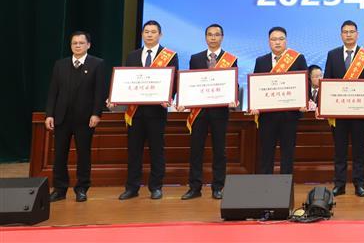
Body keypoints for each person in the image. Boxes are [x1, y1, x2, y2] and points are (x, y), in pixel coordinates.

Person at [118, 20, 178, 200]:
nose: (149, 35)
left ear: (160, 35)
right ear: (142, 34)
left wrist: (168, 97)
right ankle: (132, 187)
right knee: (133, 151)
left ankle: (156, 187)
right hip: (135, 113)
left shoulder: (170, 56)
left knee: (157, 151)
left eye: (153, 32)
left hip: (157, 112)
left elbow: (174, 81)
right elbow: (126, 81)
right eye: (146, 31)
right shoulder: (132, 56)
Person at [45, 31, 106, 202]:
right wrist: (49, 114)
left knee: (84, 155)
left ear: (88, 45)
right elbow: (53, 91)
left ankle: (82, 189)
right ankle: (59, 189)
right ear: (71, 45)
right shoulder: (60, 65)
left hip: (85, 119)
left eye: (81, 43)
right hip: (61, 117)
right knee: (59, 155)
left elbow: (99, 91)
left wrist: (96, 113)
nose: (77, 46)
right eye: (74, 43)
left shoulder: (97, 64)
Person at [179, 24, 237, 200]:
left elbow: (233, 83)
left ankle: (218, 187)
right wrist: (183, 100)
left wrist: (234, 97)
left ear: (222, 37)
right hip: (199, 112)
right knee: (196, 150)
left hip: (220, 112)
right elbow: (190, 83)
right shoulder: (195, 58)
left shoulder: (230, 59)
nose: (213, 38)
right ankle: (194, 187)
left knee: (219, 151)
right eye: (210, 35)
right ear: (205, 37)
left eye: (216, 35)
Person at [323, 20, 364, 197]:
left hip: (359, 112)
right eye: (345, 32)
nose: (348, 35)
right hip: (338, 113)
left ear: (357, 34)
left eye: (352, 32)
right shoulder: (332, 55)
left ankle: (359, 184)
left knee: (359, 150)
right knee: (340, 150)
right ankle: (339, 184)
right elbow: (327, 81)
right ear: (341, 35)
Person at [250, 26, 308, 177]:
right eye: (274, 39)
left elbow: (305, 83)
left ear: (286, 41)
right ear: (269, 42)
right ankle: (265, 186)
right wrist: (254, 104)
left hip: (290, 116)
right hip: (267, 117)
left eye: (281, 39)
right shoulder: (261, 61)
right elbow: (257, 87)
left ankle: (285, 186)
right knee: (266, 153)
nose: (277, 42)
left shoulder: (297, 59)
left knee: (287, 154)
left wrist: (304, 101)